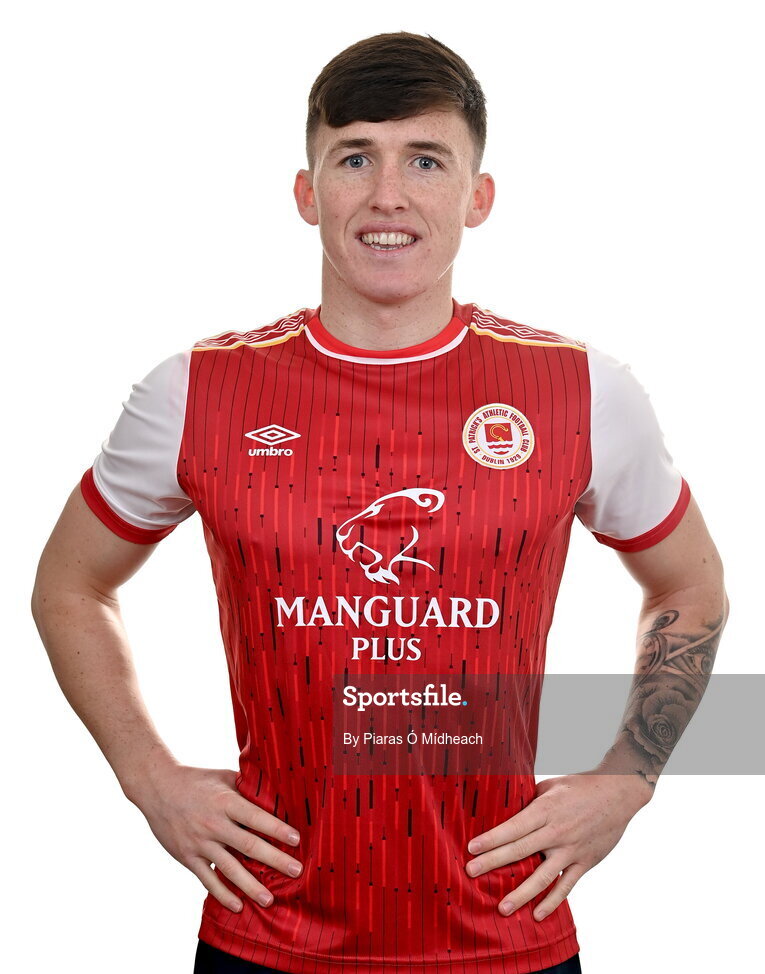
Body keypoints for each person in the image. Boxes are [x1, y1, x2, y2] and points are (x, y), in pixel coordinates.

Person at [31, 31, 728, 974]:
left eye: (426, 160)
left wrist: (627, 779)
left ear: (477, 196)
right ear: (307, 191)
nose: (388, 195)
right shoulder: (194, 391)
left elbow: (690, 583)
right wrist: (148, 780)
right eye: (354, 156)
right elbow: (69, 584)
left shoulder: (582, 392)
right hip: (267, 933)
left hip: (505, 932)